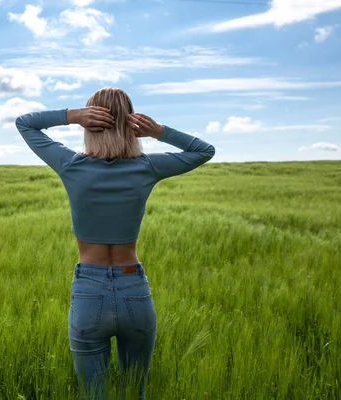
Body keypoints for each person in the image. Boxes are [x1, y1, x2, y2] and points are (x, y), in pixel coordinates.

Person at [15, 87, 215, 399]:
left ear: (89, 124)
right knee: (135, 393)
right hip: (133, 289)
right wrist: (157, 131)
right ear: (131, 124)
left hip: (89, 291)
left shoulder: (71, 165)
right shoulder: (146, 166)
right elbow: (204, 150)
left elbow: (25, 123)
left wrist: (72, 116)